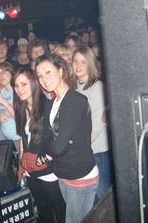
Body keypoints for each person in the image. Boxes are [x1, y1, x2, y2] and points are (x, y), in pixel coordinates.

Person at [35, 54, 99, 223]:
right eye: (40, 75)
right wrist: (57, 142)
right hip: (63, 173)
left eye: (48, 72)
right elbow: (46, 140)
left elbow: (56, 148)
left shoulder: (75, 100)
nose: (44, 79)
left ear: (61, 71)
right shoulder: (54, 102)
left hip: (79, 176)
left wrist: (56, 143)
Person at [12, 69, 66, 223]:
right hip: (31, 171)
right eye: (16, 85)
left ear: (34, 84)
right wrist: (23, 162)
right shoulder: (21, 108)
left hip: (49, 171)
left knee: (61, 212)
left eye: (23, 84)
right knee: (43, 213)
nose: (19, 89)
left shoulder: (48, 106)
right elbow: (24, 138)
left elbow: (60, 139)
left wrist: (42, 160)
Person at [72, 47, 112, 202]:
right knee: (91, 198)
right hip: (83, 150)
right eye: (75, 61)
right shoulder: (74, 87)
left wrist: (79, 147)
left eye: (83, 61)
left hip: (97, 150)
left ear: (91, 64)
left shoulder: (97, 87)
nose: (78, 66)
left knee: (102, 195)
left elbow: (97, 123)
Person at [0, 62, 20, 150]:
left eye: (3, 72)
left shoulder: (19, 90)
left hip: (20, 139)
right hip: (8, 140)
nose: (0, 76)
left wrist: (4, 102)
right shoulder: (0, 92)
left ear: (11, 72)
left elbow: (20, 118)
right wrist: (0, 118)